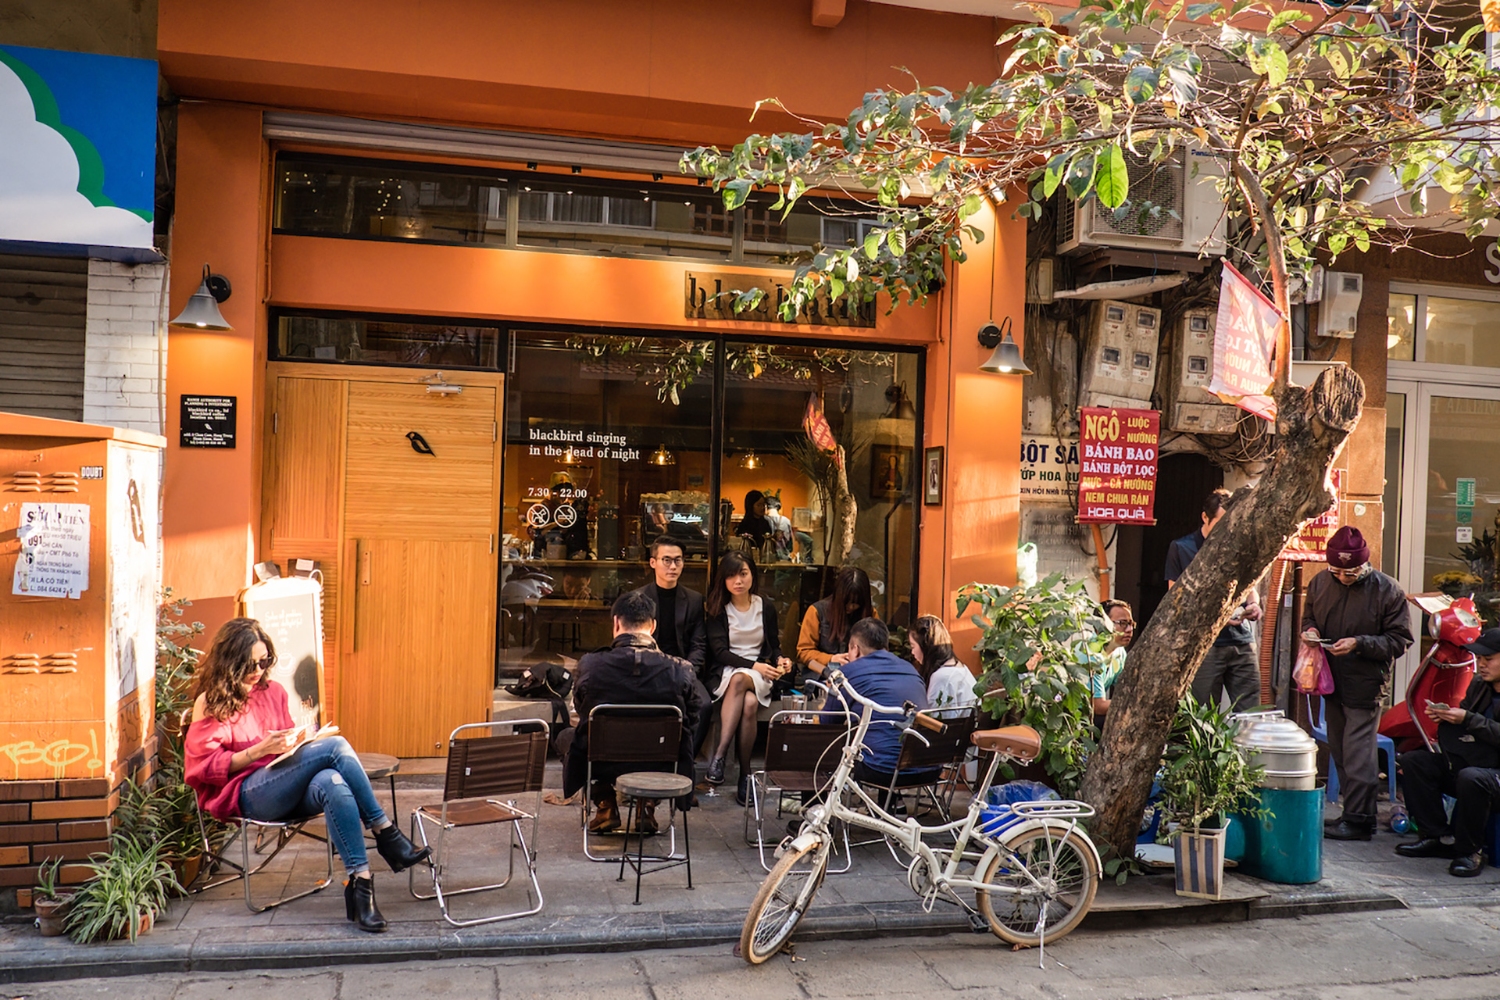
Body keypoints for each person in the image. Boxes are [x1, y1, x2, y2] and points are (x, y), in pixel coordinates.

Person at [184, 618, 430, 933]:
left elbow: (286, 744)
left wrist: (295, 742)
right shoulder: (210, 701)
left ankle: (361, 885)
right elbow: (202, 767)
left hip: (283, 781)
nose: (258, 669)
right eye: (250, 664)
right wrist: (258, 751)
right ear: (230, 662)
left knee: (333, 781)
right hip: (247, 792)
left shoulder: (273, 691)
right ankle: (386, 834)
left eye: (265, 660)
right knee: (336, 747)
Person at [556, 590, 706, 835]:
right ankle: (646, 804)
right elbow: (692, 719)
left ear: (616, 623)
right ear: (653, 626)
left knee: (566, 737)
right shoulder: (681, 669)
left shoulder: (591, 665)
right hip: (661, 761)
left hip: (602, 760)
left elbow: (583, 712)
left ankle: (605, 804)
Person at [1302, 525, 1415, 841]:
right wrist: (1310, 633)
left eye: (1350, 572)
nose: (1342, 577)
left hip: (1366, 683)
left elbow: (1400, 640)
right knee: (1338, 748)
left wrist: (1360, 643)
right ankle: (1352, 815)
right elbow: (1308, 617)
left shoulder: (1387, 590)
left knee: (1358, 752)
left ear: (1364, 565)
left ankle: (1360, 818)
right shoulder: (1320, 582)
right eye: (1336, 570)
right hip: (1330, 681)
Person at [1394, 627, 1500, 876]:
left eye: (1489, 659)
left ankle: (1470, 851)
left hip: (1490, 775)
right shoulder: (1478, 685)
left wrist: (1467, 718)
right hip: (1473, 762)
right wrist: (1446, 717)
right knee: (1414, 761)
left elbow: (1473, 722)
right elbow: (1466, 725)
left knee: (1472, 778)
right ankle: (1435, 836)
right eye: (1480, 659)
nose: (1481, 665)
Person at [703, 551, 791, 805]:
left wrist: (780, 660)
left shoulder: (766, 607)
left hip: (759, 672)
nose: (738, 581)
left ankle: (719, 758)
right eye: (731, 576)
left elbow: (773, 645)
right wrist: (755, 666)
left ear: (752, 574)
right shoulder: (717, 609)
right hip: (728, 672)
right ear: (724, 580)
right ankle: (745, 775)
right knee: (749, 703)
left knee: (743, 681)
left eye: (743, 574)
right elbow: (720, 653)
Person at [1165, 488, 1264, 711]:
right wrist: (1217, 618)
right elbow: (1175, 600)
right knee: (1204, 714)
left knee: (1250, 711)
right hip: (1205, 644)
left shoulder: (1240, 545)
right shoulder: (1182, 548)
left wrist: (1254, 604)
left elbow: (1250, 587)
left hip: (1241, 639)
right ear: (1205, 517)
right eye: (1220, 522)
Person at [823, 618, 934, 796]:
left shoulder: (848, 673)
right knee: (885, 739)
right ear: (886, 646)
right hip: (926, 768)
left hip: (880, 770)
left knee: (813, 744)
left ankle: (813, 808)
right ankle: (891, 805)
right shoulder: (910, 668)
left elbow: (827, 723)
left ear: (855, 649)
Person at [629, 535, 712, 752]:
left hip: (682, 668)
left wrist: (686, 669)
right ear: (653, 562)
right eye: (666, 560)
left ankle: (685, 758)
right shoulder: (637, 599)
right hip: (648, 669)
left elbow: (699, 644)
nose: (673, 566)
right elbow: (631, 642)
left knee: (704, 706)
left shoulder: (693, 600)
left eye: (678, 560)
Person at [798, 565, 876, 676]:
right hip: (823, 674)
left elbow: (879, 651)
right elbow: (804, 652)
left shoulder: (870, 614)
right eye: (846, 602)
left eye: (856, 603)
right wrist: (831, 658)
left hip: (861, 674)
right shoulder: (817, 611)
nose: (850, 607)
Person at [909, 615, 976, 710]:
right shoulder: (960, 668)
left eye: (913, 647)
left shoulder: (942, 677)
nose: (912, 652)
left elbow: (934, 720)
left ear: (926, 645)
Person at [1088, 600, 1134, 719]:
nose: (1129, 629)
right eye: (1122, 623)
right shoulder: (1089, 654)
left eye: (1131, 623)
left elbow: (1125, 689)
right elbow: (1097, 707)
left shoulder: (1119, 652)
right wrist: (1138, 703)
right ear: (1102, 625)